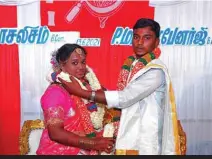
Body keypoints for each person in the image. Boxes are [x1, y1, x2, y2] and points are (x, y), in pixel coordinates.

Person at [59, 18, 181, 155]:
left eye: (146, 38)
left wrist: (82, 92)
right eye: (136, 37)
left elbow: (124, 97)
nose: (140, 42)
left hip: (145, 141)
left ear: (157, 42)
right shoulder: (132, 65)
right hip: (128, 134)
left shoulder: (155, 71)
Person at [36, 43, 115, 155]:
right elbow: (56, 133)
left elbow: (112, 99)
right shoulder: (55, 92)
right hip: (58, 151)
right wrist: (94, 143)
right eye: (74, 63)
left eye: (83, 62)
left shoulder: (87, 88)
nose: (81, 67)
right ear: (62, 66)